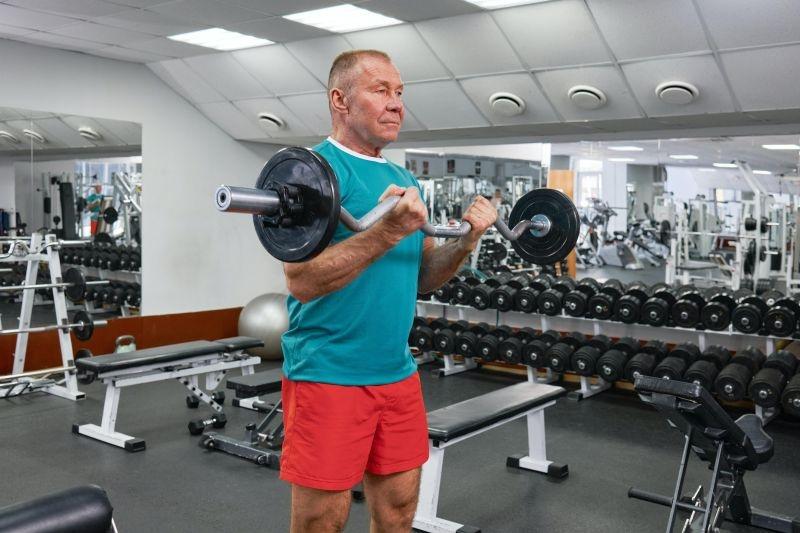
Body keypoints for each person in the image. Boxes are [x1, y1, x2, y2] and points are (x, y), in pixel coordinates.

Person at [279, 49, 498, 533]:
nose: (397, 104)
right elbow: (302, 280)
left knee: (400, 511)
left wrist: (466, 242)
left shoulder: (402, 177)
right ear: (340, 100)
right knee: (321, 521)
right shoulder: (312, 173)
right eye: (381, 91)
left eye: (400, 93)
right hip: (329, 372)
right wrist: (387, 231)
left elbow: (419, 277)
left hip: (396, 372)